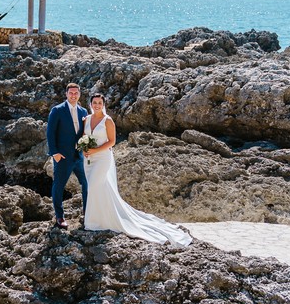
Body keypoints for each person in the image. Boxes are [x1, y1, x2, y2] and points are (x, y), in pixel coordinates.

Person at [82, 93, 192, 246]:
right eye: (94, 102)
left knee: (95, 185)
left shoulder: (108, 121)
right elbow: (83, 138)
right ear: (91, 104)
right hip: (89, 159)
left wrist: (95, 151)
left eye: (100, 103)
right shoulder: (86, 119)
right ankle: (99, 219)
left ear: (103, 104)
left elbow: (112, 142)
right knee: (98, 188)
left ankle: (95, 221)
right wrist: (84, 149)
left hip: (102, 158)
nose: (97, 105)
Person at [45, 82, 89, 229]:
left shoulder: (83, 111)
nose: (73, 95)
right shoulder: (57, 110)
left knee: (87, 183)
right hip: (62, 157)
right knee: (59, 186)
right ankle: (59, 216)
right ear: (66, 94)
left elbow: (84, 133)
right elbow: (50, 133)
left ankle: (86, 211)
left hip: (79, 156)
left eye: (76, 93)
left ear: (79, 94)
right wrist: (54, 153)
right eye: (71, 93)